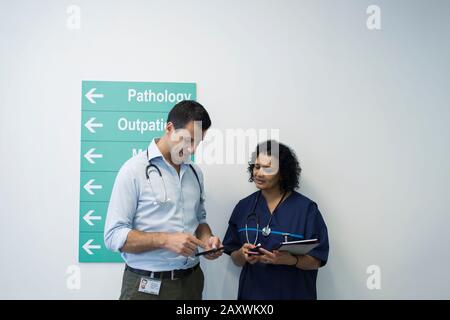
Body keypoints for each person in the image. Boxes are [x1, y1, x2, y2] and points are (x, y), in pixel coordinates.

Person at [104, 100, 222, 300]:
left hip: (191, 283)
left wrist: (208, 241)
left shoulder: (195, 173)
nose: (192, 150)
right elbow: (113, 236)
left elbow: (200, 221)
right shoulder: (133, 170)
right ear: (169, 128)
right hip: (146, 287)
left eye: (198, 143)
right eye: (188, 140)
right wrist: (166, 240)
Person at [222, 140, 329, 300]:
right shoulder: (244, 207)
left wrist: (292, 260)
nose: (259, 173)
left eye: (268, 168)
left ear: (283, 173)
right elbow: (235, 257)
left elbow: (317, 260)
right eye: (257, 166)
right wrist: (242, 255)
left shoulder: (306, 210)